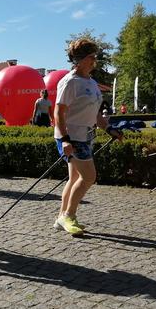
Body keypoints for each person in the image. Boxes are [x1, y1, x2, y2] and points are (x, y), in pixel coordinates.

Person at [54, 38, 122, 237]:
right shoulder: (69, 82)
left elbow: (96, 114)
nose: (95, 60)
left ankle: (61, 218)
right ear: (80, 59)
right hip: (72, 137)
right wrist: (65, 139)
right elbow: (58, 113)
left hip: (85, 136)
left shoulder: (91, 82)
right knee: (89, 177)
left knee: (74, 177)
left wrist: (109, 129)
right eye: (91, 57)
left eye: (95, 56)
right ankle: (69, 215)